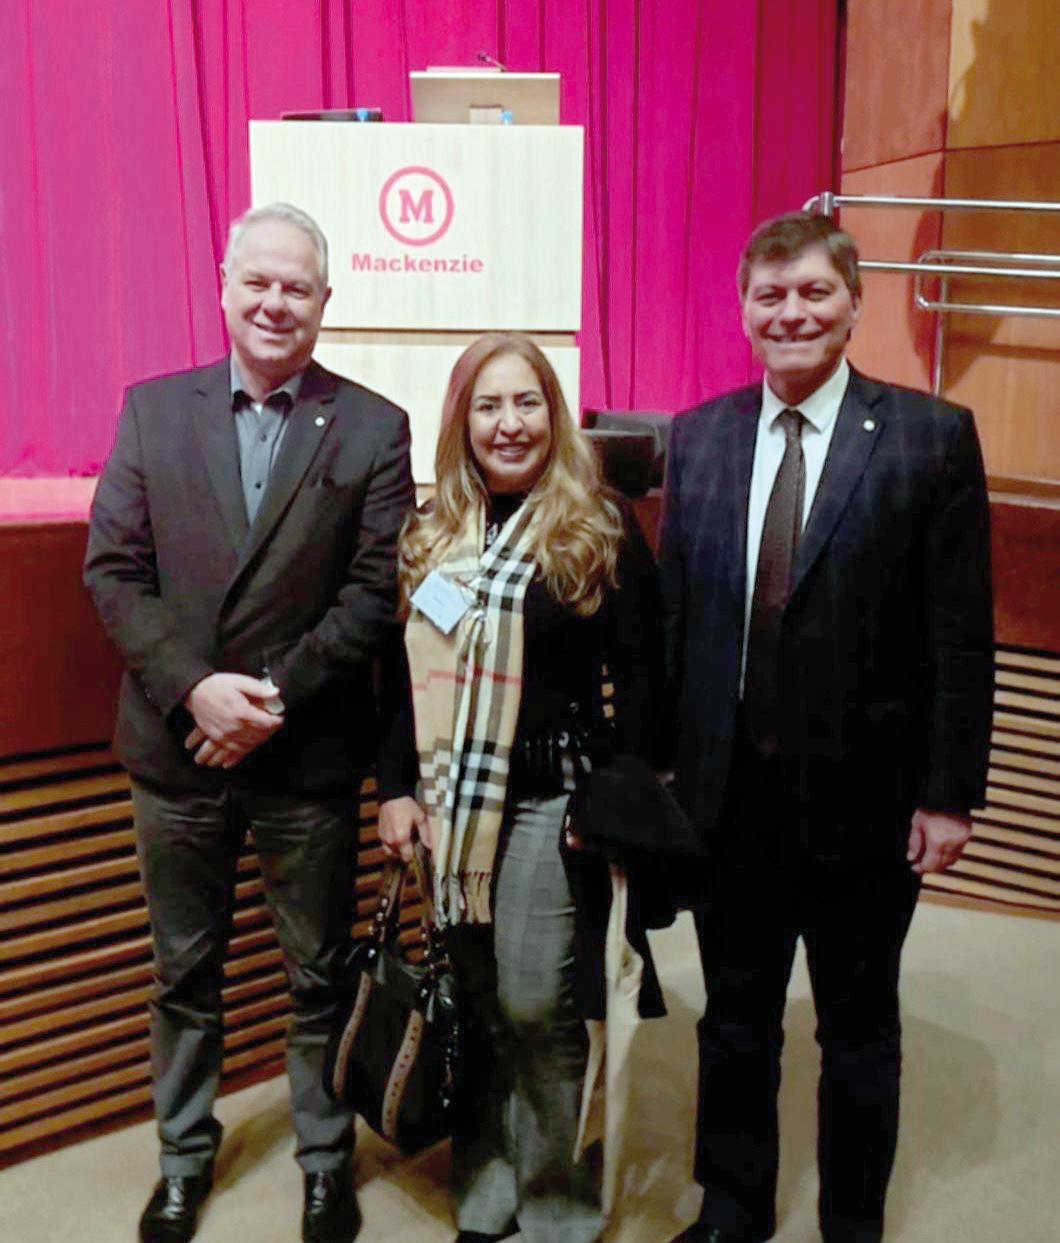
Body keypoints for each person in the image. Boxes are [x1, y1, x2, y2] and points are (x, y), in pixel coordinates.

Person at [659, 212, 994, 1243]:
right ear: (743, 310)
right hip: (729, 799)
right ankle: (733, 1202)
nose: (790, 312)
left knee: (858, 1029)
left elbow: (958, 631)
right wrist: (660, 778)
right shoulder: (700, 434)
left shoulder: (929, 436)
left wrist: (948, 792)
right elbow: (678, 620)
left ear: (853, 304)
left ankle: (852, 1218)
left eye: (811, 293)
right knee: (734, 1020)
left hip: (868, 801)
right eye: (770, 295)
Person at [84, 201, 414, 1243]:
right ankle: (184, 1156)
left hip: (303, 752)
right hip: (174, 753)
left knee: (316, 974)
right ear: (224, 287)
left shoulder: (372, 425)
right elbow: (115, 574)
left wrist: (265, 697)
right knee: (183, 971)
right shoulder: (151, 411)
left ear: (326, 302)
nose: (276, 302)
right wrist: (197, 689)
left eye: (298, 287)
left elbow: (371, 596)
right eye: (258, 282)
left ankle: (325, 1160)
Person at [376, 332, 665, 1243]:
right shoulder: (433, 532)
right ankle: (487, 1185)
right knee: (478, 999)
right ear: (463, 419)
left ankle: (554, 1204)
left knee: (536, 1003)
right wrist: (395, 789)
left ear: (555, 412)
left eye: (527, 402)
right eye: (489, 405)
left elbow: (648, 676)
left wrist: (609, 798)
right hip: (450, 813)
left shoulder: (598, 524)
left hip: (552, 803)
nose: (509, 423)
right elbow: (404, 678)